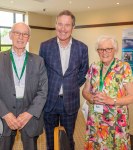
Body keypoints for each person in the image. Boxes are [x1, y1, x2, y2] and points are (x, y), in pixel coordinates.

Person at [39, 10, 89, 150]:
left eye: (67, 25)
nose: (63, 28)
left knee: (68, 140)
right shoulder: (45, 46)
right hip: (49, 102)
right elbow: (41, 73)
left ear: (73, 27)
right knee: (50, 140)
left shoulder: (82, 48)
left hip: (70, 101)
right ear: (55, 25)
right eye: (60, 24)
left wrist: (71, 85)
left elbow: (83, 72)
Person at [82, 35, 133, 150]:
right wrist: (90, 98)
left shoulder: (124, 67)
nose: (104, 52)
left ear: (115, 50)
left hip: (116, 121)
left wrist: (111, 100)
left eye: (108, 49)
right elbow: (85, 91)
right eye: (101, 49)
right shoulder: (94, 67)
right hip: (95, 120)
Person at [0, 22, 48, 150]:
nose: (21, 37)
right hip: (4, 112)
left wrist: (28, 114)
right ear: (10, 35)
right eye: (17, 33)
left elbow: (43, 91)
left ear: (28, 38)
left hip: (30, 111)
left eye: (25, 34)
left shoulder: (39, 61)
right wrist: (5, 113)